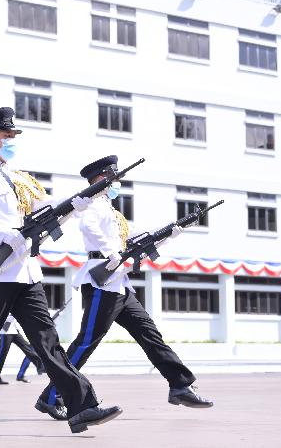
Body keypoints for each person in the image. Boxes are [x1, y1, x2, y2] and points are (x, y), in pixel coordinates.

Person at [0, 107, 121, 435]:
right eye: (7, 136)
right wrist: (4, 235)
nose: (12, 141)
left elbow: (46, 217)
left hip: (26, 273)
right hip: (0, 272)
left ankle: (81, 408)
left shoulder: (17, 178)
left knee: (48, 341)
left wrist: (76, 206)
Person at [36, 155, 213, 418]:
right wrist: (110, 253)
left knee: (150, 334)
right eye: (113, 177)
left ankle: (180, 385)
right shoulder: (93, 205)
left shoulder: (112, 211)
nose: (117, 182)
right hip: (102, 283)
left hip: (120, 285)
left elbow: (134, 242)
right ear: (100, 178)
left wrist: (170, 232)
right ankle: (52, 396)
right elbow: (89, 227)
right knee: (86, 343)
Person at [0, 314, 44, 384]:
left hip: (15, 331)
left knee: (28, 348)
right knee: (2, 355)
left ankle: (40, 367)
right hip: (6, 330)